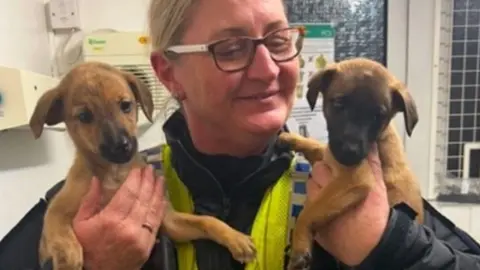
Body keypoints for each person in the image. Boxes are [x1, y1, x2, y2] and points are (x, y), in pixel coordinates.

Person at [1, 0, 480, 269]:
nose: (269, 68)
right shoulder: (80, 205)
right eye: (230, 48)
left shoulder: (361, 188)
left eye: (277, 41)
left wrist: (391, 248)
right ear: (169, 75)